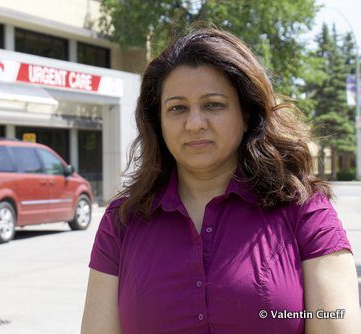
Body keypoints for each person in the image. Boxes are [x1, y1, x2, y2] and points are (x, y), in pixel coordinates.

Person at [81, 28, 360, 334]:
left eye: (213, 104)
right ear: (157, 122)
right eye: (177, 108)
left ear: (247, 114)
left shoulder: (304, 211)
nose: (194, 123)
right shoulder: (122, 220)